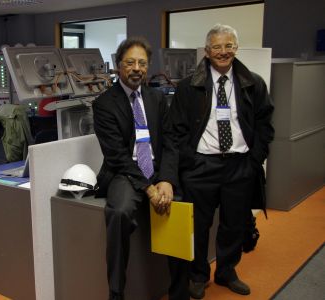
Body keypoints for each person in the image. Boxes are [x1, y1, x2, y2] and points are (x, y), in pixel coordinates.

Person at [170, 24, 274, 299]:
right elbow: (176, 129)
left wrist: (255, 160)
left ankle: (227, 271)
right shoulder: (187, 87)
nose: (223, 52)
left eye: (229, 46)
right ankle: (198, 275)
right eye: (217, 47)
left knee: (234, 224)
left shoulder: (254, 83)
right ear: (206, 51)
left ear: (236, 48)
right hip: (201, 166)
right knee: (199, 225)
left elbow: (265, 124)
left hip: (240, 165)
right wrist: (189, 161)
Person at [93, 36, 189, 300]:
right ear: (118, 65)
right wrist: (148, 188)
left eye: (142, 63)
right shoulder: (104, 104)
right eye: (130, 62)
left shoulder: (157, 98)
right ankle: (116, 292)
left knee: (180, 208)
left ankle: (179, 292)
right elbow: (116, 155)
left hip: (158, 170)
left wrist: (167, 180)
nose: (137, 68)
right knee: (120, 212)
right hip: (124, 173)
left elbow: (171, 141)